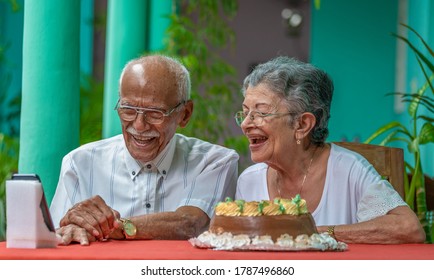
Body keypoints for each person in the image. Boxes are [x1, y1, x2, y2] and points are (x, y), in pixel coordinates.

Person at [50, 55, 239, 245]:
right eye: (128, 110)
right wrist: (72, 228)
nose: (139, 126)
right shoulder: (79, 164)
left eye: (155, 113)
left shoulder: (215, 161)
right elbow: (60, 236)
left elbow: (189, 223)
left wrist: (113, 227)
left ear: (185, 114)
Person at [234, 56, 425, 244]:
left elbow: (408, 228)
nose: (245, 124)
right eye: (245, 112)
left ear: (302, 124)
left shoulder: (349, 170)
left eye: (261, 113)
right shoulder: (249, 181)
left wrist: (317, 232)